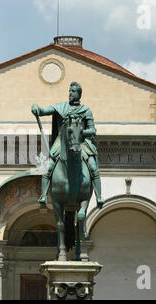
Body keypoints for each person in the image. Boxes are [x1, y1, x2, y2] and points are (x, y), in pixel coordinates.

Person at [31, 81, 105, 209]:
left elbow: (93, 130)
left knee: (93, 166)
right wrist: (37, 108)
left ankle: (99, 196)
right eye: (69, 91)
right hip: (62, 141)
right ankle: (43, 195)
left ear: (79, 94)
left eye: (73, 91)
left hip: (81, 142)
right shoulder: (62, 107)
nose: (70, 93)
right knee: (49, 166)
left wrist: (81, 132)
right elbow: (45, 111)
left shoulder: (86, 111)